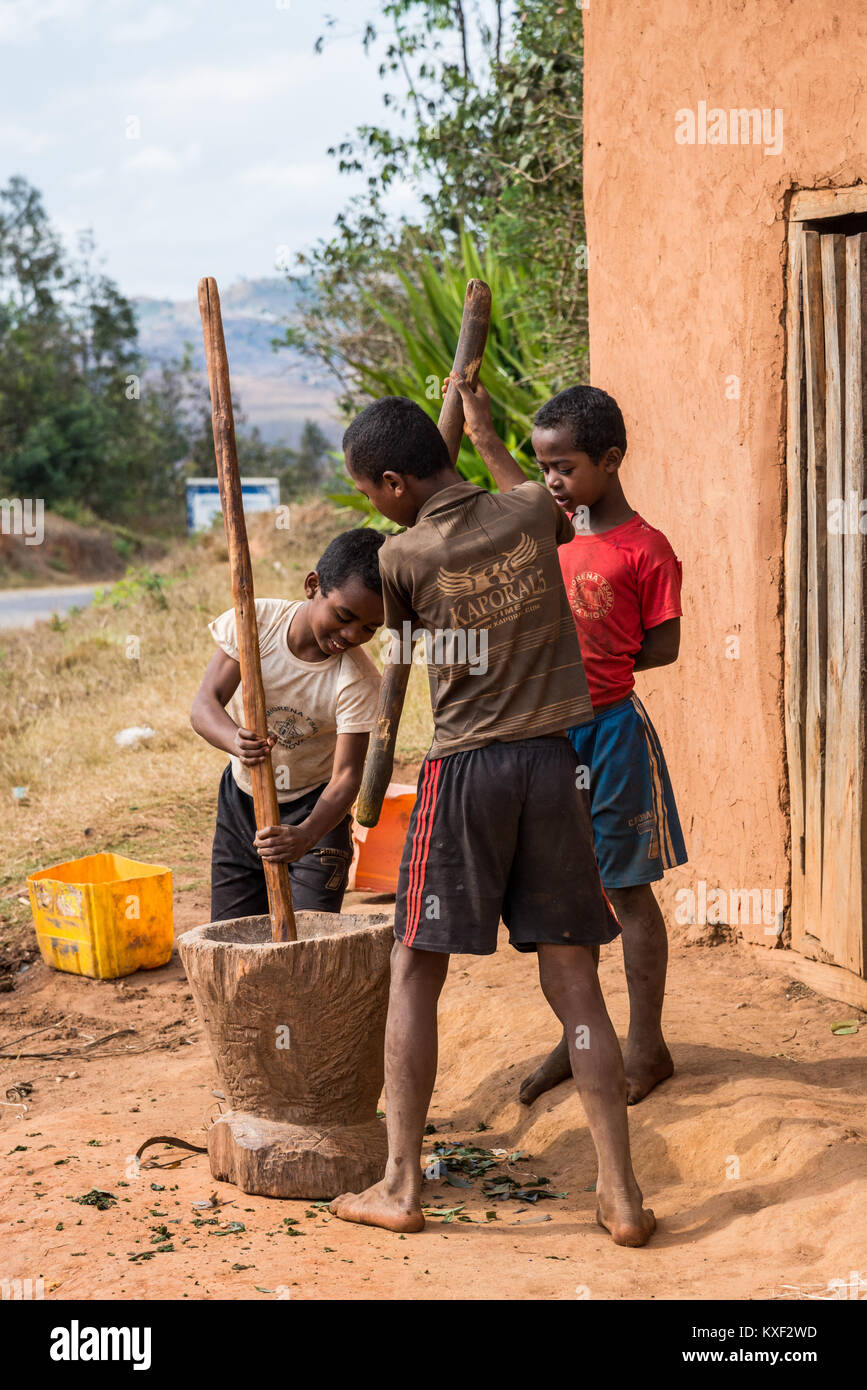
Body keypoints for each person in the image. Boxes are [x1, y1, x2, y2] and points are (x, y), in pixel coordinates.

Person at [329, 394, 655, 1247]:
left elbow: (401, 650)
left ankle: (402, 1184)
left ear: (394, 483)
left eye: (369, 490)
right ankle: (620, 1194)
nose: (372, 505)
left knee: (413, 965)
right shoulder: (529, 509)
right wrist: (481, 443)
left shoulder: (398, 556)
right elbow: (522, 509)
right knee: (573, 977)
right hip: (557, 763)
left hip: (466, 769)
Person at [448, 375, 687, 1107]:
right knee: (562, 897)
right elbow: (513, 486)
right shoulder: (546, 529)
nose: (551, 479)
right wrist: (484, 436)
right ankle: (579, 1037)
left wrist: (598, 673)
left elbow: (662, 647)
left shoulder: (645, 549)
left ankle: (646, 1048)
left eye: (565, 467)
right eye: (544, 465)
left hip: (611, 736)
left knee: (625, 891)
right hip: (545, 742)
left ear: (609, 460)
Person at [190, 529, 384, 919]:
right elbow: (204, 706)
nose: (351, 635)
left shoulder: (358, 681)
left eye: (368, 628)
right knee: (235, 932)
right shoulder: (255, 624)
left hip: (316, 811)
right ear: (314, 585)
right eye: (344, 616)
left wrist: (307, 835)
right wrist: (234, 740)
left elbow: (347, 777)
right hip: (242, 802)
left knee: (311, 938)